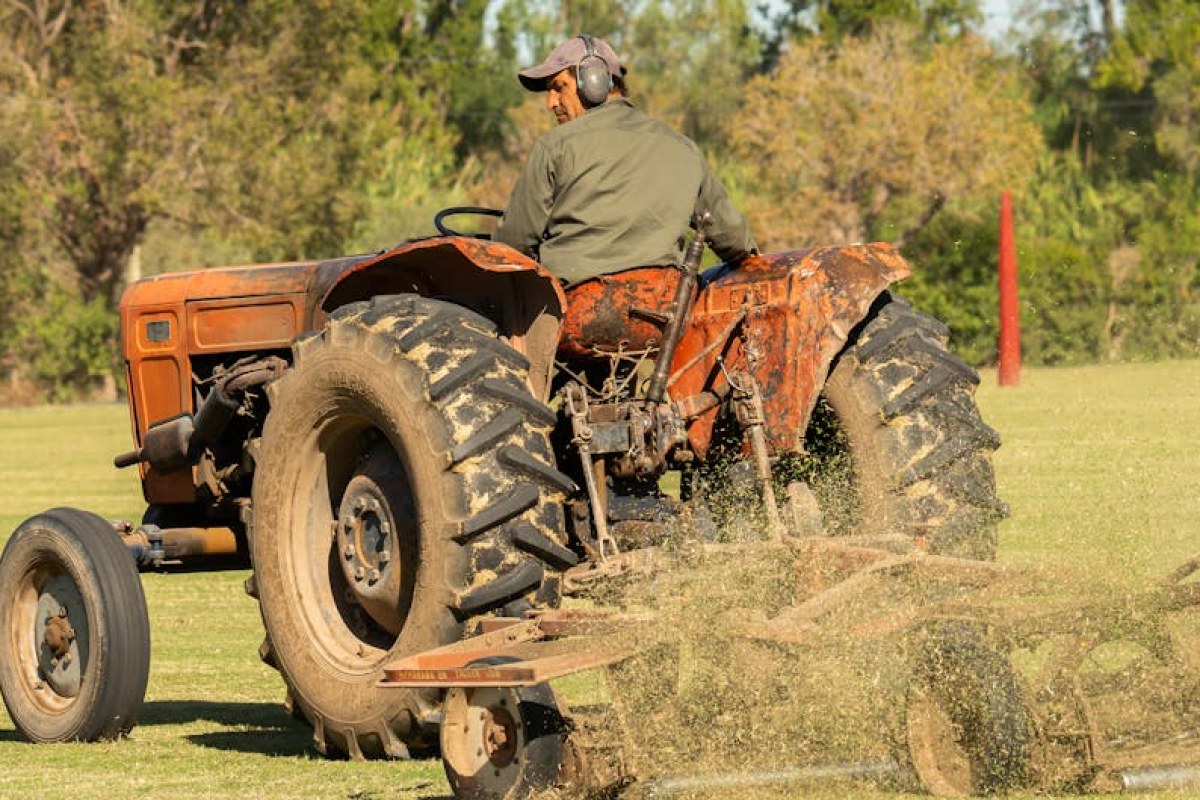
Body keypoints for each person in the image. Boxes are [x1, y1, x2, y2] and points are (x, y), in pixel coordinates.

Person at [494, 34, 756, 286]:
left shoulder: (553, 147)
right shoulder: (684, 148)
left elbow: (511, 247)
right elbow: (736, 242)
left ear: (594, 79)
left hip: (573, 313)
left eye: (558, 87)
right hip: (664, 316)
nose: (551, 102)